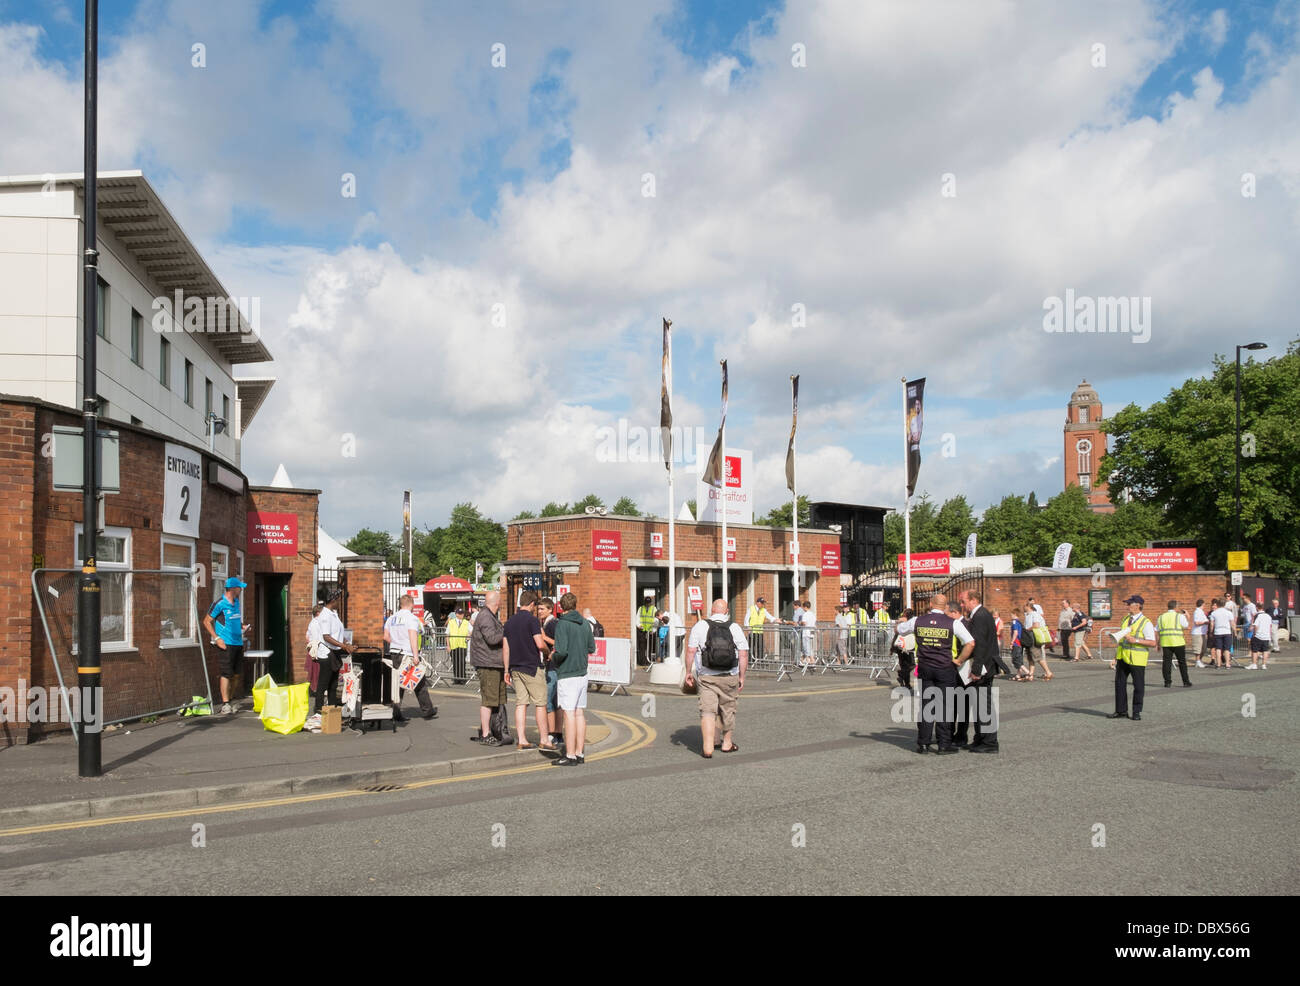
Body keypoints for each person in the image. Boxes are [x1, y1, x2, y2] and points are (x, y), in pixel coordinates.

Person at [684, 599, 748, 758]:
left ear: (711, 611)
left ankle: (708, 746)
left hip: (707, 676)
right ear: (727, 611)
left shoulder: (700, 626)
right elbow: (743, 653)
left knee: (708, 710)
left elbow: (691, 651)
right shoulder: (734, 627)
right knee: (727, 708)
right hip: (729, 675)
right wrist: (742, 676)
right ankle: (726, 743)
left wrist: (688, 672)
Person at [913, 593, 974, 754]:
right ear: (946, 606)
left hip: (925, 667)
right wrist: (959, 660)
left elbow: (900, 628)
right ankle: (943, 744)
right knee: (944, 707)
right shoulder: (953, 623)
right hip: (945, 668)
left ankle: (923, 744)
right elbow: (970, 643)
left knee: (927, 705)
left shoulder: (918, 621)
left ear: (931, 603)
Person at [551, 592, 596, 766]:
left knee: (568, 713)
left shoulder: (562, 624)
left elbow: (561, 651)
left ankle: (569, 755)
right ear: (576, 605)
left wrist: (553, 658)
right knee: (579, 713)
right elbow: (591, 647)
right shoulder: (585, 623)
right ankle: (579, 752)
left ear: (561, 607)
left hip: (567, 674)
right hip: (582, 673)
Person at [957, 590, 1001, 752]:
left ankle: (989, 742)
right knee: (979, 705)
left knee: (984, 705)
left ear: (973, 600)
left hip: (983, 668)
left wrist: (975, 670)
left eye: (963, 601)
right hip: (984, 666)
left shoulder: (980, 616)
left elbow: (980, 644)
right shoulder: (981, 614)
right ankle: (980, 738)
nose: (962, 605)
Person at [503, 591, 548, 747]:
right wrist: (548, 653)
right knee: (541, 703)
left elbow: (506, 648)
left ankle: (522, 740)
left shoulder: (509, 622)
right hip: (531, 667)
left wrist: (506, 670)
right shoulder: (532, 621)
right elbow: (540, 644)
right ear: (531, 604)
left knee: (521, 704)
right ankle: (544, 739)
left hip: (515, 668)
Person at [384, 594, 437, 720]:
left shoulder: (391, 618)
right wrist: (415, 655)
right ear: (411, 604)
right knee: (419, 681)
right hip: (407, 654)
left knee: (398, 683)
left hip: (394, 653)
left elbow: (385, 637)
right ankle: (427, 709)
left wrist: (396, 642)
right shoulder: (412, 618)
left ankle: (396, 712)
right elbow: (413, 636)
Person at [203, 577, 251, 715]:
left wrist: (243, 626)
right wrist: (217, 638)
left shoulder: (236, 602)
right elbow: (206, 621)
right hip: (225, 644)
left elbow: (235, 619)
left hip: (238, 642)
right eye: (239, 587)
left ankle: (230, 699)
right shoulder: (219, 603)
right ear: (233, 589)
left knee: (236, 674)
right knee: (226, 673)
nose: (241, 589)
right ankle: (225, 704)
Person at [469, 591, 508, 746]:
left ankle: (491, 730)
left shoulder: (489, 616)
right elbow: (492, 639)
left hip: (493, 663)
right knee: (488, 700)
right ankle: (485, 734)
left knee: (495, 699)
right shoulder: (486, 616)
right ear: (497, 603)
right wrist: (507, 630)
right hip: (487, 664)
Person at [1109, 594, 1156, 721]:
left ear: (1138, 606)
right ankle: (1121, 711)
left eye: (1129, 604)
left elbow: (1152, 642)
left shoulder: (1146, 623)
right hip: (1122, 657)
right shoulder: (1125, 619)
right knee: (1119, 685)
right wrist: (1115, 657)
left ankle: (1136, 712)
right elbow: (1120, 640)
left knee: (1139, 686)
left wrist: (1135, 640)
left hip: (1137, 658)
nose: (1127, 606)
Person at [312, 589, 355, 715]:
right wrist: (344, 646)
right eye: (337, 599)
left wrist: (347, 643)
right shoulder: (325, 615)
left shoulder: (333, 614)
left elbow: (338, 634)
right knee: (323, 683)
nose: (338, 602)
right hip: (326, 653)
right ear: (332, 600)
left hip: (335, 652)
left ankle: (331, 710)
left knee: (334, 684)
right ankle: (319, 711)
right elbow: (326, 636)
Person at [538, 597, 562, 750]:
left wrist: (544, 637)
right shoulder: (546, 623)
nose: (539, 611)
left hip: (554, 667)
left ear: (549, 610)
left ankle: (554, 733)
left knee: (548, 701)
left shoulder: (553, 624)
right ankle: (556, 734)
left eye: (542, 609)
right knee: (553, 701)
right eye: (538, 609)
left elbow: (560, 642)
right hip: (551, 666)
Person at [1156, 599, 1191, 688]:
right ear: (1176, 607)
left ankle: (1167, 682)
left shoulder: (1161, 617)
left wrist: (1158, 643)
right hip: (1178, 642)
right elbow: (1186, 626)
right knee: (1182, 662)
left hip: (1166, 642)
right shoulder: (1179, 616)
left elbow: (1157, 630)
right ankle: (1186, 682)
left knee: (1166, 663)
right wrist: (1187, 617)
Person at [1021, 599, 1053, 680]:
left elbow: (1036, 625)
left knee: (1037, 656)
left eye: (1024, 606)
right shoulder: (1028, 615)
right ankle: (1030, 674)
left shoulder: (1034, 614)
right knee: (1030, 657)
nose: (1023, 607)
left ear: (1028, 606)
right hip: (1029, 638)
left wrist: (1027, 629)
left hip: (1034, 637)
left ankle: (1048, 672)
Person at [745, 596, 776, 664]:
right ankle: (751, 660)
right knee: (751, 646)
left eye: (763, 603)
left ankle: (760, 660)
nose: (763, 605)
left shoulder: (763, 610)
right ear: (757, 603)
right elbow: (746, 619)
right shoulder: (751, 609)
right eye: (762, 603)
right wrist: (748, 628)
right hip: (752, 631)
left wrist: (776, 620)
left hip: (759, 631)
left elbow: (770, 617)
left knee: (760, 646)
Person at [892, 608, 917, 690]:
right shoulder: (905, 622)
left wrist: (892, 647)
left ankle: (904, 680)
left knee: (908, 665)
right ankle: (904, 679)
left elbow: (896, 633)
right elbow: (896, 633)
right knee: (908, 665)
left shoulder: (907, 622)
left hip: (905, 646)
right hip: (904, 646)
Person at [446, 607, 471, 683]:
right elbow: (447, 634)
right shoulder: (451, 622)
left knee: (462, 662)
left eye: (462, 614)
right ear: (456, 614)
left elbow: (472, 630)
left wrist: (469, 635)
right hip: (453, 645)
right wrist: (448, 645)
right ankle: (456, 679)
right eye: (459, 614)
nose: (461, 615)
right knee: (455, 663)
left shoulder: (466, 622)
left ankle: (463, 679)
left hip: (462, 645)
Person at [1208, 598, 1233, 669]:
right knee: (1227, 649)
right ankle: (1227, 664)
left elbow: (1212, 624)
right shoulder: (1229, 613)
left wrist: (1211, 632)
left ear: (1218, 604)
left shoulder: (1214, 613)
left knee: (1218, 649)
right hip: (1227, 632)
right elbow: (1232, 623)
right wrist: (1234, 630)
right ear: (1225, 604)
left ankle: (1218, 664)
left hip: (1218, 632)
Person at [636, 597, 659, 667]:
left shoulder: (654, 609)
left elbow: (656, 620)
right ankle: (642, 661)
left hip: (650, 631)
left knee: (651, 647)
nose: (647, 604)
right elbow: (637, 618)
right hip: (642, 630)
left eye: (648, 603)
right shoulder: (641, 608)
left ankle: (650, 661)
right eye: (646, 603)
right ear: (645, 602)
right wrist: (638, 625)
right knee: (642, 647)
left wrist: (653, 629)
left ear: (651, 602)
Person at [1191, 598, 1209, 667]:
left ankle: (1199, 661)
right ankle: (1198, 661)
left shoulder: (1201, 611)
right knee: (1198, 648)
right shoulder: (1197, 612)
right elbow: (1196, 623)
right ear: (1202, 604)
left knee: (1203, 648)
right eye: (1204, 604)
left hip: (1202, 633)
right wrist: (1205, 622)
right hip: (1197, 633)